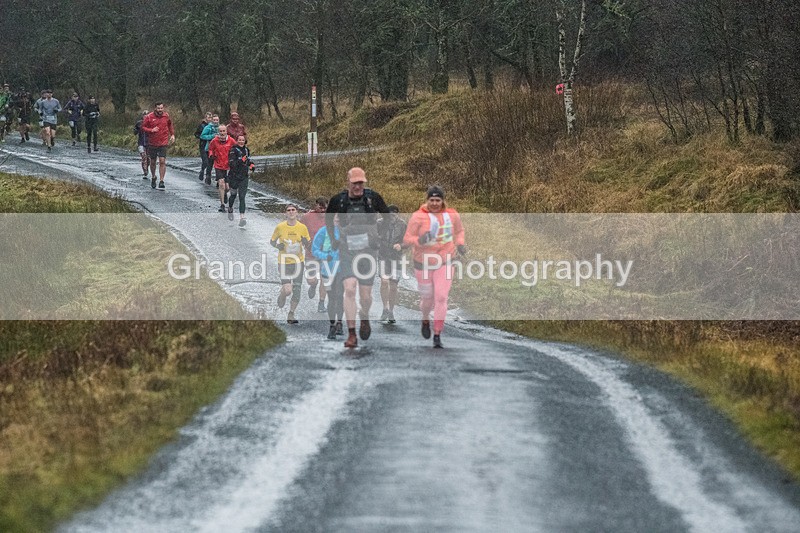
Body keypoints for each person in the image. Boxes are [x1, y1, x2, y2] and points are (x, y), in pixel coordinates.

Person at [325, 167, 390, 348]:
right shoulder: (338, 200)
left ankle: (365, 316)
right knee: (350, 289)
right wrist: (334, 239)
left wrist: (380, 237)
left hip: (368, 251)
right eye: (354, 183)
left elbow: (387, 217)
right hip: (348, 251)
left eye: (361, 183)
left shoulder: (373, 198)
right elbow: (328, 220)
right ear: (348, 182)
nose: (358, 186)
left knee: (366, 297)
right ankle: (352, 333)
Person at [403, 185, 466, 349]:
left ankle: (437, 333)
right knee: (427, 299)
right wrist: (419, 240)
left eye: (438, 200)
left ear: (443, 201)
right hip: (423, 262)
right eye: (432, 200)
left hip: (446, 260)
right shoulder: (418, 216)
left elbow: (459, 231)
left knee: (441, 297)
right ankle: (425, 317)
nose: (435, 203)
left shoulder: (452, 215)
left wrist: (460, 244)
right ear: (427, 200)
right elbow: (407, 238)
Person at [270, 204, 311, 324]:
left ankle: (291, 314)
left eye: (293, 210)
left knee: (297, 289)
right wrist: (278, 246)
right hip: (284, 262)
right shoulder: (280, 227)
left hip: (298, 262)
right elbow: (272, 241)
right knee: (288, 290)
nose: (291, 212)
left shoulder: (302, 227)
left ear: (297, 213)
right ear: (285, 213)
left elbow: (309, 244)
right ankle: (282, 295)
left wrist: (306, 242)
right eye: (288, 210)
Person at [312, 219, 343, 339]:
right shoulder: (323, 231)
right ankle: (332, 325)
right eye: (335, 216)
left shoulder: (347, 231)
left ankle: (339, 322)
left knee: (340, 296)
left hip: (343, 269)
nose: (337, 219)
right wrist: (325, 256)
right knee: (332, 297)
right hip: (327, 269)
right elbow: (315, 249)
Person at [378, 205, 407, 324]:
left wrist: (401, 245)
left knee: (393, 285)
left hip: (396, 257)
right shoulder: (379, 223)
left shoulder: (403, 225)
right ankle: (385, 308)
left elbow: (408, 241)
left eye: (394, 214)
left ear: (397, 215)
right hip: (383, 256)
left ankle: (391, 311)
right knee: (384, 282)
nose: (391, 216)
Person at [301, 197, 328, 312]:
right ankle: (313, 285)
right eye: (320, 207)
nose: (322, 210)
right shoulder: (307, 217)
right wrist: (305, 244)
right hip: (311, 253)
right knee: (311, 280)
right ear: (315, 205)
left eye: (324, 208)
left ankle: (321, 303)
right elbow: (300, 231)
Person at [141, 102, 175, 190]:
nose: (160, 110)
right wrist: (151, 130)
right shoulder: (149, 117)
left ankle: (161, 181)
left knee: (162, 161)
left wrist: (172, 134)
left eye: (161, 108)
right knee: (153, 162)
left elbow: (170, 125)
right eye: (158, 108)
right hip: (152, 143)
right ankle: (153, 177)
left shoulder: (166, 116)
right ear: (155, 108)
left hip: (163, 142)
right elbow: (143, 127)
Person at [206, 124, 237, 211]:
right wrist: (211, 155)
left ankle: (224, 194)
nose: (222, 133)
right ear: (218, 132)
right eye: (220, 131)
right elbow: (210, 149)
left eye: (224, 131)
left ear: (226, 132)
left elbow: (237, 149)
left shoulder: (231, 140)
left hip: (228, 166)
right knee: (221, 183)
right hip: (218, 165)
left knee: (227, 188)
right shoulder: (214, 140)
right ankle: (222, 205)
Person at [226, 134, 254, 227]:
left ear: (245, 141)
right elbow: (232, 164)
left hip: (244, 177)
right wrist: (241, 161)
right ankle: (230, 208)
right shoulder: (233, 150)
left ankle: (242, 218)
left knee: (242, 197)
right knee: (233, 195)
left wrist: (251, 165)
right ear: (237, 141)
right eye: (240, 140)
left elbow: (248, 161)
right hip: (234, 176)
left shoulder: (246, 150)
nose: (241, 142)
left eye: (243, 140)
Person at [199, 114, 220, 185]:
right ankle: (208, 177)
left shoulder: (220, 127)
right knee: (209, 164)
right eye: (214, 120)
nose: (216, 121)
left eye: (217, 120)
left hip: (219, 149)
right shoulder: (208, 127)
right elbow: (202, 136)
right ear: (212, 120)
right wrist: (212, 136)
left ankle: (219, 179)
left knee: (219, 164)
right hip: (209, 148)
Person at [194, 111, 213, 181]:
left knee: (211, 161)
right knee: (205, 161)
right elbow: (196, 134)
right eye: (208, 117)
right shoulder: (202, 125)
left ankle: (208, 176)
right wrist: (202, 137)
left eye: (211, 117)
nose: (209, 119)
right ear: (205, 118)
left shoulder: (213, 126)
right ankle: (202, 170)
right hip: (203, 145)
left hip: (211, 146)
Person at [134, 110, 150, 177]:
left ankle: (147, 167)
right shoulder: (139, 123)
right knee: (144, 157)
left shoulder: (151, 123)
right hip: (141, 143)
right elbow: (135, 132)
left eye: (147, 115)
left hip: (149, 143)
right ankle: (145, 171)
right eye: (144, 115)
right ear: (142, 116)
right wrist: (136, 130)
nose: (145, 116)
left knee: (148, 159)